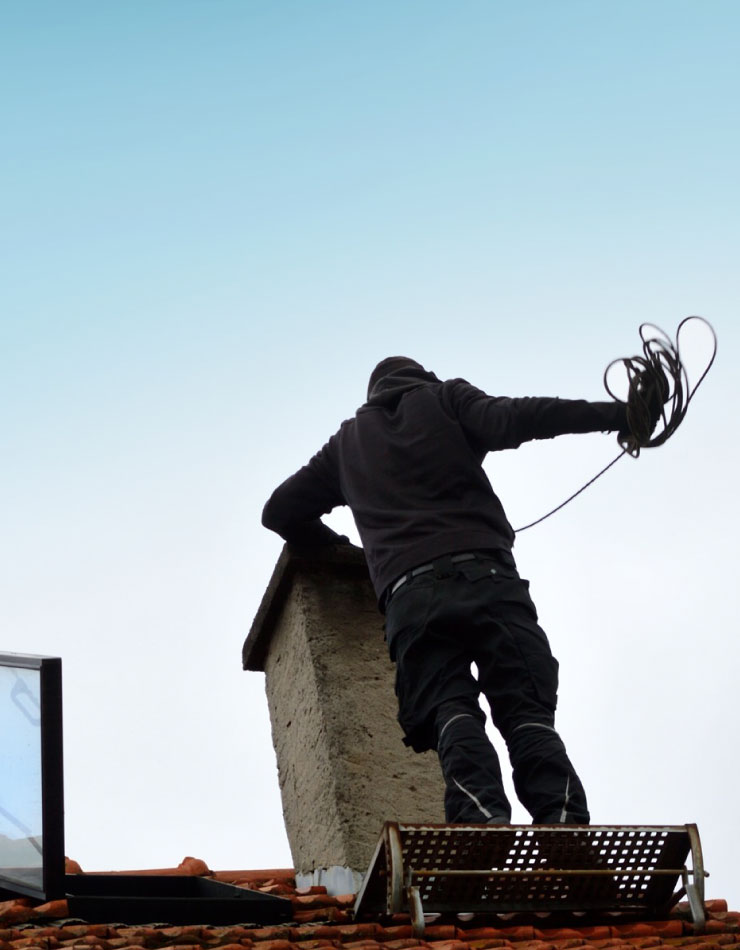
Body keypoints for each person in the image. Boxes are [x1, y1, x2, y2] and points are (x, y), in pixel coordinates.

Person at [262, 356, 638, 825]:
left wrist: (339, 547)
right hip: (489, 581)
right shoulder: (445, 399)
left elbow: (279, 511)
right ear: (424, 377)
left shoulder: (346, 446)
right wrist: (617, 415)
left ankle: (479, 822)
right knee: (526, 713)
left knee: (450, 710)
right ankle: (564, 827)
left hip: (411, 599)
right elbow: (523, 416)